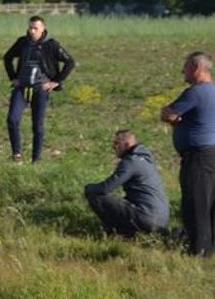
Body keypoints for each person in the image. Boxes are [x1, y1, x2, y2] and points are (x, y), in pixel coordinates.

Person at [160, 51, 215, 256]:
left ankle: (199, 251)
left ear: (196, 68)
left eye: (185, 67)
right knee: (210, 203)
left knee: (196, 203)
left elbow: (167, 113)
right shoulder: (213, 92)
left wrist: (173, 118)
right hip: (212, 154)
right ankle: (210, 247)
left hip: (198, 157)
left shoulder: (195, 92)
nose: (182, 71)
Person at [2, 15, 76, 163]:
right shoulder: (22, 42)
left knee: (37, 125)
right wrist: (13, 78)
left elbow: (69, 62)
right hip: (22, 86)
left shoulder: (51, 44)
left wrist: (56, 82)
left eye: (36, 28)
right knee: (12, 119)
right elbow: (7, 57)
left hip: (41, 88)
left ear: (43, 29)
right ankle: (16, 154)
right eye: (30, 27)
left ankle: (36, 159)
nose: (32, 31)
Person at [83, 130, 169, 238]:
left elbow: (106, 188)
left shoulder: (131, 161)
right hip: (160, 220)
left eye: (116, 143)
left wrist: (88, 188)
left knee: (97, 196)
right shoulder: (146, 160)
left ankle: (117, 233)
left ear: (127, 144)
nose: (113, 147)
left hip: (147, 217)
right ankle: (129, 233)